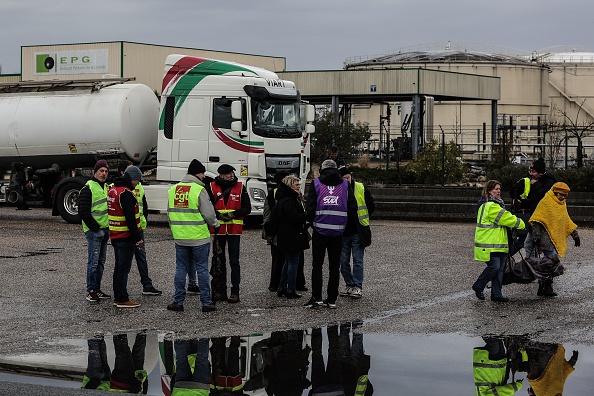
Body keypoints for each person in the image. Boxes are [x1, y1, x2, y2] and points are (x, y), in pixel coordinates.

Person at [166, 159, 219, 313]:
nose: (203, 176)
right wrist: (216, 224)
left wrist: (176, 231)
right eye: (202, 173)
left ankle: (178, 302)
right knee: (202, 269)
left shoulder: (173, 190)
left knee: (181, 268)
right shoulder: (198, 190)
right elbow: (209, 214)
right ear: (198, 173)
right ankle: (206, 303)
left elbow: (169, 214)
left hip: (180, 238)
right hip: (199, 238)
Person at [304, 159, 355, 309]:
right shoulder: (345, 184)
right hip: (338, 231)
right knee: (334, 266)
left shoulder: (316, 183)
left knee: (317, 265)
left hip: (319, 230)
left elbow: (310, 207)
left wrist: (312, 223)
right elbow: (353, 206)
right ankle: (332, 299)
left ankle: (317, 297)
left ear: (322, 170)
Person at [473, 180, 525, 303]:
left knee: (500, 270)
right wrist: (522, 224)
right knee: (495, 267)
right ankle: (478, 285)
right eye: (496, 189)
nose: (498, 191)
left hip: (498, 243)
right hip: (490, 244)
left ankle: (496, 294)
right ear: (489, 191)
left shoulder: (494, 205)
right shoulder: (492, 206)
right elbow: (507, 219)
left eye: (499, 189)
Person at [207, 164, 251, 304]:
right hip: (218, 229)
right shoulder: (211, 187)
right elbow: (208, 206)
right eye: (228, 173)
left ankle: (235, 292)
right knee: (219, 261)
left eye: (232, 172)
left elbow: (247, 208)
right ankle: (221, 292)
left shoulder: (240, 186)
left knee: (234, 262)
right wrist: (219, 215)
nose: (231, 175)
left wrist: (233, 214)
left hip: (233, 230)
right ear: (221, 175)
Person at [116, 161, 161, 297]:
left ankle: (147, 285)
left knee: (141, 258)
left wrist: (144, 220)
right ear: (124, 173)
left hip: (139, 228)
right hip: (126, 231)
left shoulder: (139, 186)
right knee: (123, 264)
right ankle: (121, 293)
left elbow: (144, 205)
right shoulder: (118, 188)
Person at [529, 182, 580, 297]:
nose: (562, 197)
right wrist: (536, 237)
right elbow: (537, 221)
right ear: (555, 192)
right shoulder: (546, 202)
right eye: (560, 194)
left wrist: (575, 235)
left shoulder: (562, 204)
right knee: (551, 263)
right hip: (546, 240)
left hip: (555, 240)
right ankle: (547, 287)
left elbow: (566, 221)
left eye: (564, 195)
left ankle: (543, 286)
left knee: (548, 264)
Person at [263, 170, 307, 293]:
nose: (299, 187)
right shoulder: (289, 199)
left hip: (285, 233)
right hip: (291, 234)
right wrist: (305, 217)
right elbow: (293, 217)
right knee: (292, 261)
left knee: (286, 261)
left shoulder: (283, 196)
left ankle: (281, 287)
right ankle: (290, 289)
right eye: (297, 185)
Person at [108, 165, 144, 308]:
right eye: (137, 181)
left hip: (116, 235)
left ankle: (119, 295)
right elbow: (130, 219)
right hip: (125, 236)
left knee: (119, 267)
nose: (138, 184)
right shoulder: (126, 193)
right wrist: (137, 237)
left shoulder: (113, 190)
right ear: (132, 179)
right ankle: (122, 298)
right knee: (123, 268)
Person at [338, 166, 375, 299]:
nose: (346, 180)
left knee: (358, 260)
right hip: (344, 232)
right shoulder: (338, 189)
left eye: (347, 178)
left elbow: (370, 205)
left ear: (350, 176)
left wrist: (362, 219)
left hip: (357, 231)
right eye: (343, 178)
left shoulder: (360, 187)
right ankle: (350, 284)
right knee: (343, 262)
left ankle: (357, 286)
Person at [79, 159, 112, 302]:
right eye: (101, 171)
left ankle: (97, 289)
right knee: (93, 261)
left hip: (105, 230)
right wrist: (96, 228)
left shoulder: (106, 187)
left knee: (101, 262)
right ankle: (91, 290)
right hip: (94, 231)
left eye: (105, 171)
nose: (103, 174)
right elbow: (83, 212)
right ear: (95, 172)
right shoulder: (88, 188)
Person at [82, 331, 148, 393]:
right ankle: (117, 330)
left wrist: (91, 386)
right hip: (117, 384)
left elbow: (84, 393)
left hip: (114, 384)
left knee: (98, 349)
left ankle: (115, 330)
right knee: (123, 352)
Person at [524, 158, 557, 257]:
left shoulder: (549, 182)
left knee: (545, 247)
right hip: (536, 219)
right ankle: (533, 266)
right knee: (530, 244)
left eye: (533, 171)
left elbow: (543, 197)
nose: (531, 174)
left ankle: (554, 264)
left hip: (543, 221)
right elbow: (533, 200)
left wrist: (536, 184)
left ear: (540, 173)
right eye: (530, 171)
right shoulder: (537, 181)